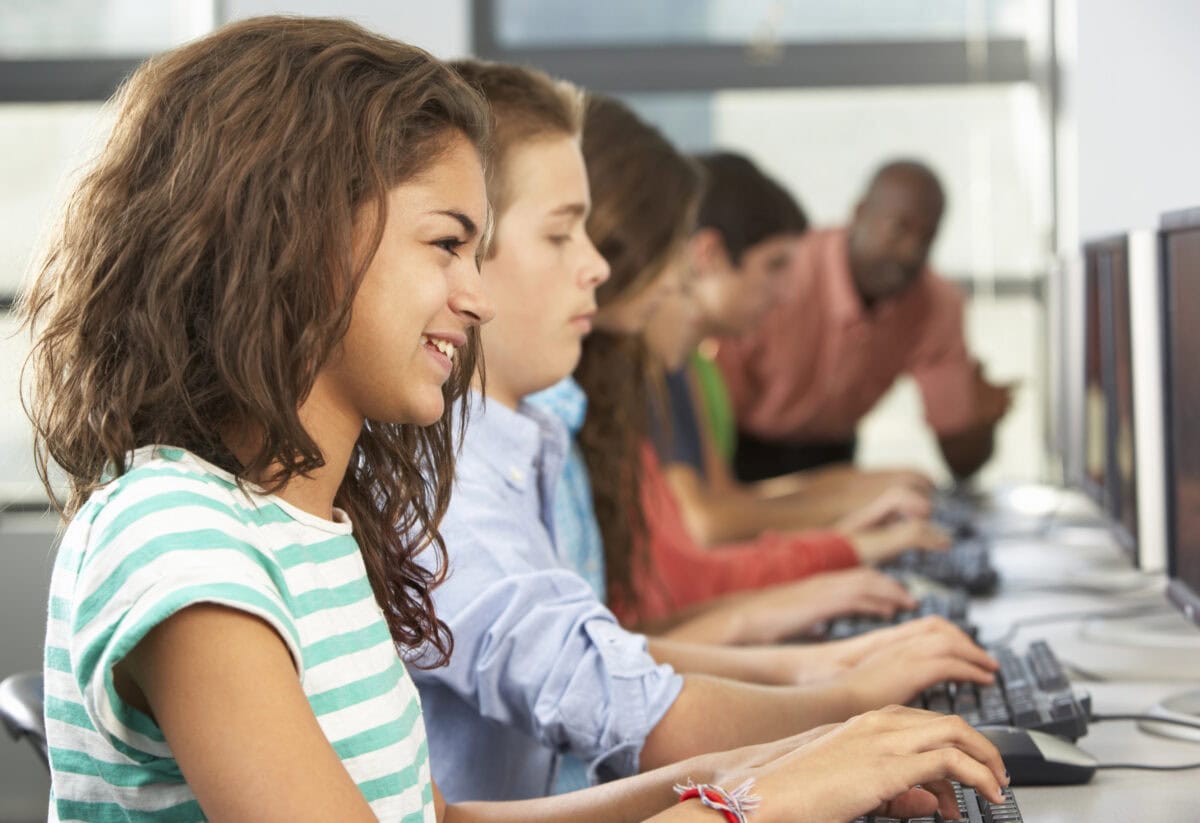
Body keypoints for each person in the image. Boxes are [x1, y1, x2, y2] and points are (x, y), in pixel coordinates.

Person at [25, 19, 1008, 823]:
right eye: (448, 243)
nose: (479, 296)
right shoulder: (179, 540)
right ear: (293, 240)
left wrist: (787, 762)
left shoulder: (318, 527)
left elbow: (436, 820)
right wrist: (755, 804)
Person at [412, 60, 1003, 816]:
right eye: (564, 233)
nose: (598, 265)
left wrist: (788, 737)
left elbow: (608, 656)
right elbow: (628, 693)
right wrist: (831, 705)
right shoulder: (446, 489)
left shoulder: (528, 435)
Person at [660, 151, 939, 549]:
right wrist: (843, 516)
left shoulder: (692, 364)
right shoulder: (661, 366)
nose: (786, 292)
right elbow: (707, 523)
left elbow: (729, 499)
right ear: (709, 255)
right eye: (774, 267)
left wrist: (845, 487)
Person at [716, 159, 1015, 484]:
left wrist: (978, 423)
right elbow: (710, 416)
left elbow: (961, 461)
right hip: (737, 451)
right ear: (859, 213)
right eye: (899, 228)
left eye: (927, 238)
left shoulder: (936, 303)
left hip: (835, 459)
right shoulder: (782, 273)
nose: (911, 251)